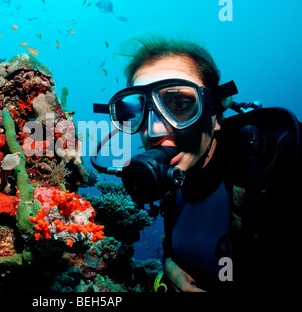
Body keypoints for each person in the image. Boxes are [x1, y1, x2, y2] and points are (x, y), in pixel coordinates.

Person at [93, 35, 301, 292]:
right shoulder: (174, 176)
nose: (154, 129)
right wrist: (170, 266)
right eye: (141, 111)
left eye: (180, 104)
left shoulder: (278, 163)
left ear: (215, 116)